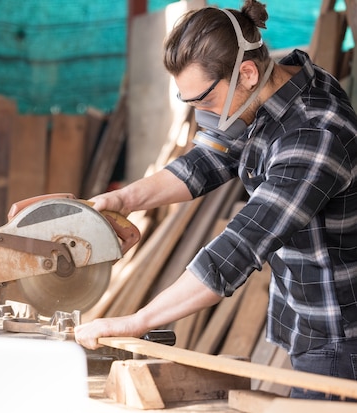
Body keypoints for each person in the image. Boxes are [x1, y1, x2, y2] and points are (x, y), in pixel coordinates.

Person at [74, 0, 357, 400]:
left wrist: (137, 321)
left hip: (340, 337)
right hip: (305, 317)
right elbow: (208, 160)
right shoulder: (272, 89)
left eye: (204, 101)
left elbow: (236, 250)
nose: (201, 114)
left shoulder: (315, 135)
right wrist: (122, 199)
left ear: (247, 72)